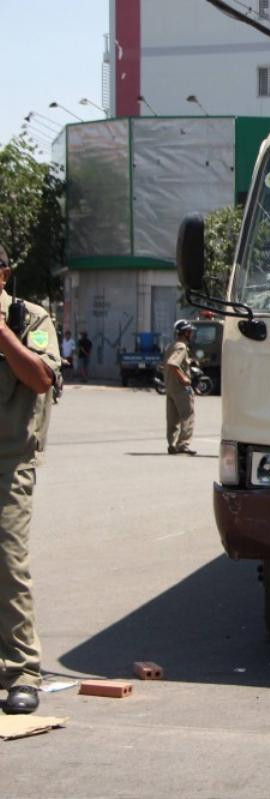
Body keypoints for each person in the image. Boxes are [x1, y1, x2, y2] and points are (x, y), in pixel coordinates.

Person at [1, 245, 61, 714]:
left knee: (7, 563)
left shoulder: (30, 320)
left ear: (3, 275)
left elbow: (41, 378)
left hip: (9, 460)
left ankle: (22, 672)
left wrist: (1, 333)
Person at [163, 320, 197, 455]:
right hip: (181, 388)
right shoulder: (181, 347)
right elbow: (172, 363)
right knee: (187, 415)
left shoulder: (171, 345)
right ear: (186, 333)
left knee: (172, 418)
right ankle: (183, 444)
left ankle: (172, 444)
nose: (192, 334)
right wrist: (183, 377)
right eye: (190, 332)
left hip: (170, 387)